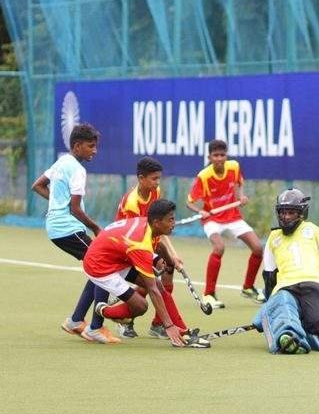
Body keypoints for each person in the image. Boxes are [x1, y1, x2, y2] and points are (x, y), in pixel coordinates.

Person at [31, 123, 119, 344]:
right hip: (68, 228)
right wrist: (96, 227)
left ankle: (76, 321)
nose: (94, 151)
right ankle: (95, 328)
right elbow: (75, 209)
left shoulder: (62, 162)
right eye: (90, 146)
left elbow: (38, 185)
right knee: (104, 265)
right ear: (77, 145)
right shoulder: (78, 170)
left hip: (56, 227)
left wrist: (55, 202)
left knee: (96, 268)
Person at [88, 199, 205, 348]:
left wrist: (167, 261)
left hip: (117, 256)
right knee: (141, 306)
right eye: (170, 220)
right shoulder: (140, 244)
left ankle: (182, 330)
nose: (174, 223)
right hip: (100, 265)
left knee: (157, 284)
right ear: (157, 223)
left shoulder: (150, 225)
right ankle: (104, 310)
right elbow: (152, 290)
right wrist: (168, 326)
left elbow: (159, 244)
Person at [256, 188, 319, 354]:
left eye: (291, 213)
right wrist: (269, 303)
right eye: (283, 213)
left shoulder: (314, 231)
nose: (286, 217)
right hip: (285, 288)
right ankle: (288, 336)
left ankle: (304, 326)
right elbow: (269, 275)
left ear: (302, 213)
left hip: (314, 284)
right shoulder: (273, 238)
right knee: (283, 307)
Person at [113, 157, 193, 341]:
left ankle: (158, 324)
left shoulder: (154, 191)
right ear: (141, 178)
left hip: (148, 238)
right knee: (151, 282)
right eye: (154, 179)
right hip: (129, 246)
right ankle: (124, 318)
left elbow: (159, 226)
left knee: (168, 268)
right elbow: (135, 236)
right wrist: (154, 258)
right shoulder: (131, 204)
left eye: (159, 178)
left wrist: (173, 255)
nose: (158, 183)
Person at [186, 139, 264, 309]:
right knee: (219, 248)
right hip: (212, 219)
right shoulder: (204, 176)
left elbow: (239, 183)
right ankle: (209, 294)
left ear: (226, 155)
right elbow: (190, 202)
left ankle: (248, 288)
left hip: (233, 216)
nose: (220, 158)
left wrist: (241, 197)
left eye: (222, 155)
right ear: (209, 157)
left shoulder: (234, 167)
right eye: (216, 155)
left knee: (258, 248)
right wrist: (200, 211)